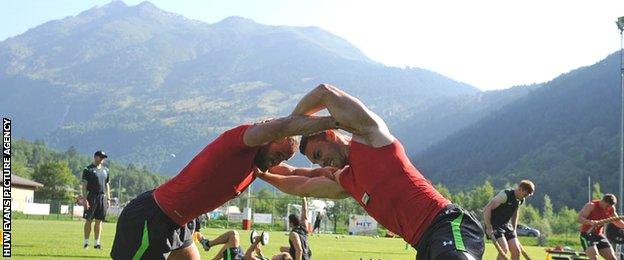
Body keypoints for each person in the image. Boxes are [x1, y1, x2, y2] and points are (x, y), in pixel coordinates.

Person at [256, 84, 485, 260]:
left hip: (447, 225)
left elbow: (325, 92)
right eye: (316, 162)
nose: (321, 164)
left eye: (318, 155)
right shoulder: (346, 180)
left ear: (330, 135)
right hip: (424, 245)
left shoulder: (371, 137)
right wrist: (258, 172)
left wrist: (288, 127)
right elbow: (299, 182)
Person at [111, 115, 338, 260]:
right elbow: (279, 126)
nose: (276, 162)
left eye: (282, 158)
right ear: (266, 138)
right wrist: (334, 120)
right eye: (277, 154)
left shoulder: (256, 166)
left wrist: (328, 173)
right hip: (152, 218)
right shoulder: (239, 141)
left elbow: (294, 173)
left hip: (180, 224)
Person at [483, 180, 535, 260]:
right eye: (525, 195)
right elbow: (487, 209)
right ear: (520, 189)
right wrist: (489, 227)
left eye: (527, 196)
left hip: (506, 225)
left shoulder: (521, 200)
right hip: (494, 224)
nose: (525, 197)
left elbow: (515, 213)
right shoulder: (505, 195)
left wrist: (514, 229)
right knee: (504, 249)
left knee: (516, 250)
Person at [79, 150, 111, 249]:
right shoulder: (88, 169)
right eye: (101, 157)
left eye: (103, 158)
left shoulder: (106, 170)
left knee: (99, 220)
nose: (102, 159)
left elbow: (107, 185)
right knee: (89, 220)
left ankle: (97, 243)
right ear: (95, 157)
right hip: (91, 196)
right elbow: (84, 185)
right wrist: (84, 199)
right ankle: (86, 242)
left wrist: (108, 199)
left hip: (102, 197)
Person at [578, 194, 624, 260]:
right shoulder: (591, 205)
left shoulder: (611, 208)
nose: (608, 208)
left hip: (599, 235)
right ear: (603, 201)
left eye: (610, 206)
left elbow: (617, 222)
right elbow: (580, 218)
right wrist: (591, 222)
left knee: (612, 258)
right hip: (586, 235)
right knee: (594, 257)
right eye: (607, 206)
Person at [199, 230, 292, 260]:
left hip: (239, 258)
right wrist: (260, 253)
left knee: (233, 235)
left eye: (278, 255)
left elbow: (248, 256)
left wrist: (256, 241)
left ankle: (207, 244)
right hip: (240, 257)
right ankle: (207, 245)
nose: (276, 254)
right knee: (233, 244)